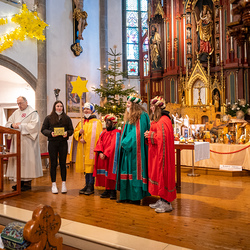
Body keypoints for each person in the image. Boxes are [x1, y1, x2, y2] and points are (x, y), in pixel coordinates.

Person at [116, 94, 150, 204]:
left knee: (135, 173)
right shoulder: (129, 116)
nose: (127, 105)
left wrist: (124, 143)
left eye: (129, 103)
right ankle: (125, 196)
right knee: (126, 172)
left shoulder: (142, 116)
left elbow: (138, 133)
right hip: (127, 151)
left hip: (136, 151)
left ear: (134, 105)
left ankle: (135, 198)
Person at [144, 96, 176, 213]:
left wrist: (150, 135)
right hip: (156, 154)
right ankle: (162, 200)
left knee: (164, 176)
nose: (151, 108)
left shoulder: (164, 120)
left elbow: (163, 139)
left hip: (163, 156)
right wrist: (150, 135)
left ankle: (167, 203)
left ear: (158, 108)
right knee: (158, 176)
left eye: (152, 106)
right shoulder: (159, 120)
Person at [5, 96, 43, 191]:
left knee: (26, 162)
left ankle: (27, 183)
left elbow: (34, 126)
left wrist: (21, 127)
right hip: (17, 142)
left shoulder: (32, 113)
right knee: (18, 161)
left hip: (28, 142)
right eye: (18, 103)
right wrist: (11, 125)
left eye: (21, 103)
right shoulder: (16, 113)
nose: (19, 105)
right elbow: (8, 124)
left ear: (26, 102)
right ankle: (19, 182)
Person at [41, 101, 74, 194]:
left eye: (61, 106)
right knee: (54, 164)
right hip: (52, 143)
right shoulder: (49, 118)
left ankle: (64, 184)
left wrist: (67, 133)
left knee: (63, 163)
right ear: (54, 107)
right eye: (57, 106)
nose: (59, 108)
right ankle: (54, 184)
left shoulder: (67, 118)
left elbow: (71, 130)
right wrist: (50, 133)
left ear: (63, 108)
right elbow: (43, 129)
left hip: (63, 143)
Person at [70, 102, 102, 195]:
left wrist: (86, 140)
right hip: (83, 148)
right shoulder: (81, 122)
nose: (86, 110)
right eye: (85, 109)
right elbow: (75, 133)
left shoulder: (97, 122)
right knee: (85, 167)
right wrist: (80, 134)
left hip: (91, 149)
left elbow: (98, 135)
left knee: (90, 167)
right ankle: (86, 184)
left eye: (88, 109)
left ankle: (91, 186)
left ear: (92, 110)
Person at [93, 114, 121, 200]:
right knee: (105, 173)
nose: (107, 123)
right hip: (102, 156)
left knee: (111, 173)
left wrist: (105, 153)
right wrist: (100, 152)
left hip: (111, 156)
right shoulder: (103, 132)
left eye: (109, 122)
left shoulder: (117, 133)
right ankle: (107, 189)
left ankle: (113, 191)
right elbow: (99, 142)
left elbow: (114, 145)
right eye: (106, 122)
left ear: (114, 123)